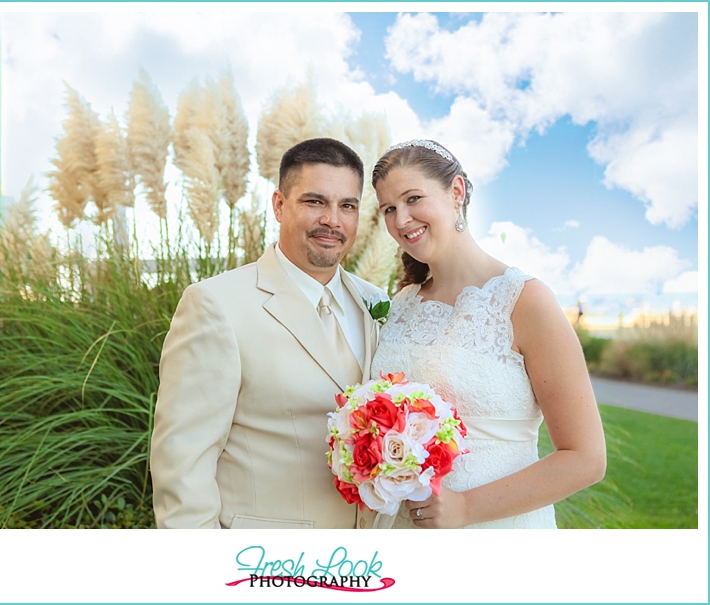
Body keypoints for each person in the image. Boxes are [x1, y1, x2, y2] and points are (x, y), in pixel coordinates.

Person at [370, 139, 606, 529]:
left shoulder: (525, 300)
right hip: (403, 529)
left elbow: (586, 458)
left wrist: (466, 508)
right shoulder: (402, 303)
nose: (401, 219)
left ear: (457, 192)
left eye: (413, 199)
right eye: (389, 209)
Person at [151, 138, 386, 529]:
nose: (333, 220)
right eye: (315, 202)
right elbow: (182, 461)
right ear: (279, 205)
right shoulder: (215, 304)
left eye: (348, 205)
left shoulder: (376, 303)